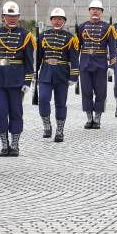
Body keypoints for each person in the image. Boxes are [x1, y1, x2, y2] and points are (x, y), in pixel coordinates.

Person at [0, 1, 35, 157]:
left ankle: (15, 144)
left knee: (16, 112)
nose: (12, 18)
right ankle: (4, 144)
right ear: (3, 17)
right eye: (9, 16)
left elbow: (30, 61)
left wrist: (28, 81)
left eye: (14, 16)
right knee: (0, 112)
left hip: (17, 80)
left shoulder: (26, 36)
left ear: (19, 17)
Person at [37, 7, 80, 141]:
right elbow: (38, 57)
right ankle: (47, 125)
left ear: (64, 21)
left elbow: (74, 59)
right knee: (43, 99)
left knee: (60, 103)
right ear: (51, 20)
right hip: (45, 73)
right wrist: (33, 73)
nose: (57, 21)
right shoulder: (43, 36)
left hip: (62, 74)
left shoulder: (70, 38)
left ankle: (60, 130)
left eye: (59, 19)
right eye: (54, 19)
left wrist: (74, 76)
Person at [77, 0, 116, 129]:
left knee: (100, 92)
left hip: (100, 63)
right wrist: (74, 66)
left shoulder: (107, 28)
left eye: (98, 9)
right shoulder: (82, 27)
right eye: (93, 9)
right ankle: (89, 117)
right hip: (85, 63)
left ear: (101, 12)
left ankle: (98, 117)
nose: (95, 11)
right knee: (86, 90)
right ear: (89, 11)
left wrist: (111, 66)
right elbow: (77, 47)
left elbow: (112, 47)